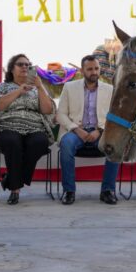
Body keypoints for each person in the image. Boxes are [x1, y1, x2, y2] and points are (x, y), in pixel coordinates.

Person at [0, 53, 56, 205]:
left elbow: (47, 110)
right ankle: (15, 190)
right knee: (13, 142)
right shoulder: (3, 86)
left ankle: (12, 179)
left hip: (34, 127)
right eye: (20, 64)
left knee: (39, 142)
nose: (25, 67)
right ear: (12, 69)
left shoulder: (38, 88)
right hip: (9, 126)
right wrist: (19, 90)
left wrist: (39, 87)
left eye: (28, 64)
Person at [56, 55, 119, 205]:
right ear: (82, 70)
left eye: (96, 68)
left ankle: (107, 191)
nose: (94, 72)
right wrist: (77, 130)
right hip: (76, 131)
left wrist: (100, 130)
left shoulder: (110, 89)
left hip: (100, 132)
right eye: (89, 69)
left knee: (115, 146)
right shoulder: (69, 87)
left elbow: (113, 115)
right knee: (66, 145)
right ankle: (69, 191)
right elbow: (61, 114)